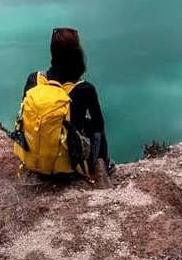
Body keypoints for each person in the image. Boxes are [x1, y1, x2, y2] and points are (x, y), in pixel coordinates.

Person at [22, 27, 114, 177]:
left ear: (52, 52)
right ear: (77, 54)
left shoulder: (34, 79)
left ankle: (36, 157)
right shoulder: (84, 88)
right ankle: (103, 166)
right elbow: (99, 125)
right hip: (69, 170)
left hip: (34, 163)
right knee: (97, 128)